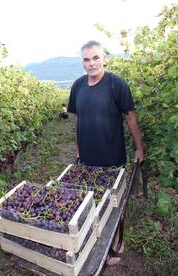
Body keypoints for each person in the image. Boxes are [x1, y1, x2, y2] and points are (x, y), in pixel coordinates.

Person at [67, 40, 145, 265]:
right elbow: (78, 117)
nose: (91, 63)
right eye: (87, 59)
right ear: (82, 62)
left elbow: (130, 117)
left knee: (113, 203)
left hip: (111, 156)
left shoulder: (116, 84)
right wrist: (79, 145)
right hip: (87, 158)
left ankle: (118, 243)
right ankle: (95, 240)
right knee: (91, 201)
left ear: (103, 59)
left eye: (95, 58)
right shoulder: (78, 86)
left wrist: (139, 147)